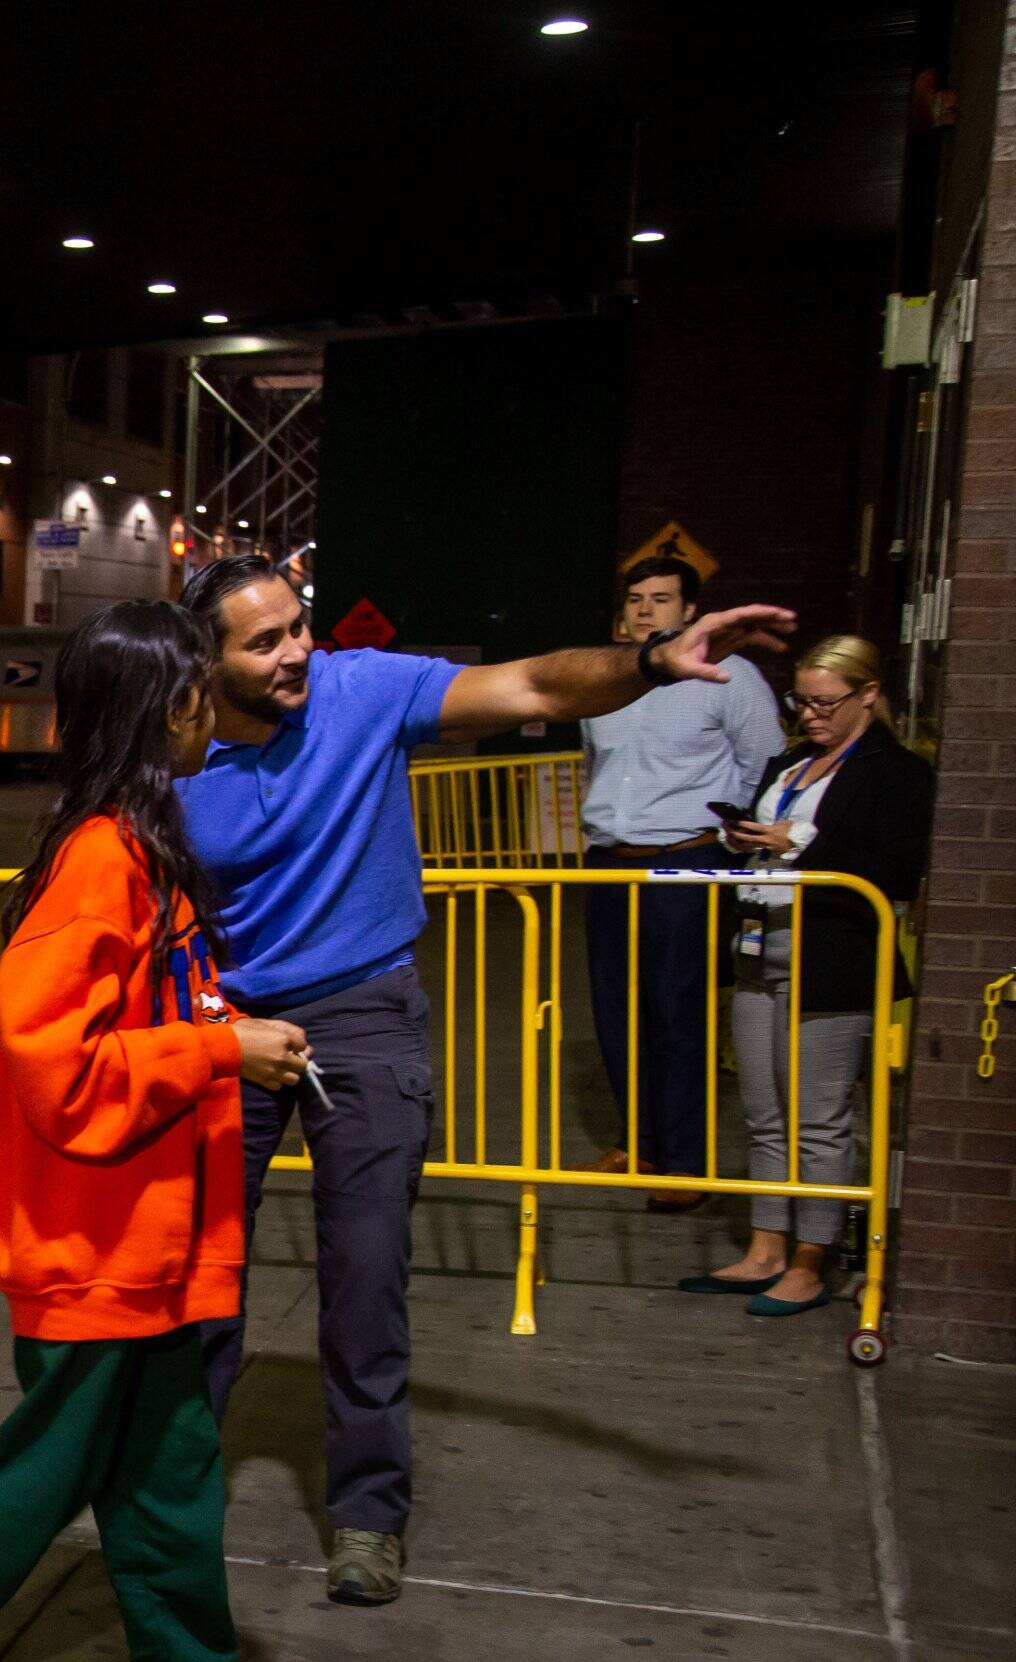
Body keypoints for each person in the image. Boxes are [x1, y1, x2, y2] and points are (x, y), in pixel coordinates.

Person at [176, 554, 794, 1606]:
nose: (297, 653)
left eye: (299, 627)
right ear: (207, 659)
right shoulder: (172, 748)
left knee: (365, 1274)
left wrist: (648, 659)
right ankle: (169, 1499)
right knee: (197, 1280)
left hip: (362, 1011)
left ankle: (369, 1515)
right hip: (225, 1019)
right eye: (265, 640)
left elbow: (539, 684)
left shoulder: (358, 688)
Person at [0, 601, 363, 1662]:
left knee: (170, 1475)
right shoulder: (102, 855)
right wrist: (217, 1052)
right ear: (165, 707)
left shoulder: (136, 842)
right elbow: (58, 1069)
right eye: (202, 692)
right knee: (31, 1487)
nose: (220, 709)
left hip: (148, 1244)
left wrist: (223, 1025)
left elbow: (129, 1022)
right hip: (92, 1243)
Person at [686, 637, 933, 1316]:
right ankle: (766, 1248)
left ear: (869, 694)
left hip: (831, 959)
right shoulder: (793, 760)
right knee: (765, 1117)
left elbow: (893, 870)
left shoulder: (898, 773)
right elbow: (781, 833)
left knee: (818, 1121)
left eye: (826, 702)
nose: (810, 715)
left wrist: (796, 840)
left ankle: (811, 1260)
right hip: (760, 946)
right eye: (802, 701)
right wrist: (747, 838)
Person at [577, 556, 787, 1209]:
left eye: (661, 599)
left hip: (687, 858)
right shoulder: (606, 680)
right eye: (636, 598)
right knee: (618, 1011)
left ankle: (685, 1164)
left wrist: (732, 841)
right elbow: (595, 766)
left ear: (690, 610)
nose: (645, 610)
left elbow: (764, 766)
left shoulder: (731, 678)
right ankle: (636, 1143)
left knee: (677, 1014)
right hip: (610, 860)